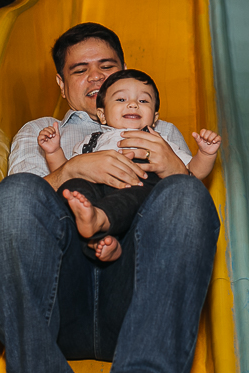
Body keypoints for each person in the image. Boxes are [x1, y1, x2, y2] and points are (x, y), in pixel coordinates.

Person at [0, 23, 220, 373]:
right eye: (80, 70)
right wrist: (74, 168)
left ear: (124, 71)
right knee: (11, 197)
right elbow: (26, 209)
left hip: (135, 298)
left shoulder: (160, 130)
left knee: (187, 194)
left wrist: (174, 166)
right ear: (61, 84)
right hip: (60, 294)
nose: (95, 77)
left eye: (107, 66)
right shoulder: (42, 131)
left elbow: (185, 217)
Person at [38, 68, 222, 262]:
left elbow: (193, 173)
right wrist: (53, 151)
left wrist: (205, 154)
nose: (133, 104)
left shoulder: (159, 142)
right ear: (102, 115)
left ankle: (100, 223)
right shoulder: (91, 141)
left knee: (136, 191)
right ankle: (101, 239)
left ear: (155, 118)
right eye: (121, 99)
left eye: (143, 101)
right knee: (73, 188)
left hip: (138, 184)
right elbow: (65, 172)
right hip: (97, 186)